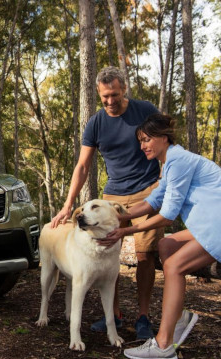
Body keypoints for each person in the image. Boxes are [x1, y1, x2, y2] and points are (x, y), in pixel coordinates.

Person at [105, 113, 221, 359]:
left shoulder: (179, 160)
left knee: (174, 266)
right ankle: (179, 317)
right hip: (219, 219)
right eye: (140, 141)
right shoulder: (170, 163)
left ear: (164, 138)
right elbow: (154, 201)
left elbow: (168, 216)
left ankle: (163, 345)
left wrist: (126, 231)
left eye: (147, 139)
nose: (143, 146)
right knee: (166, 244)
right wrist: (120, 216)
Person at [50, 66, 164, 340]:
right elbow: (82, 166)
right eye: (104, 97)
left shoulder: (144, 110)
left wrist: (163, 181)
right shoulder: (96, 123)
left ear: (123, 88)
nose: (110, 102)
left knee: (145, 254)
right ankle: (114, 314)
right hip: (113, 195)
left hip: (146, 191)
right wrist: (68, 206)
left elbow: (164, 145)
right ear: (99, 95)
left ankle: (143, 317)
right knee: (107, 250)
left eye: (114, 94)